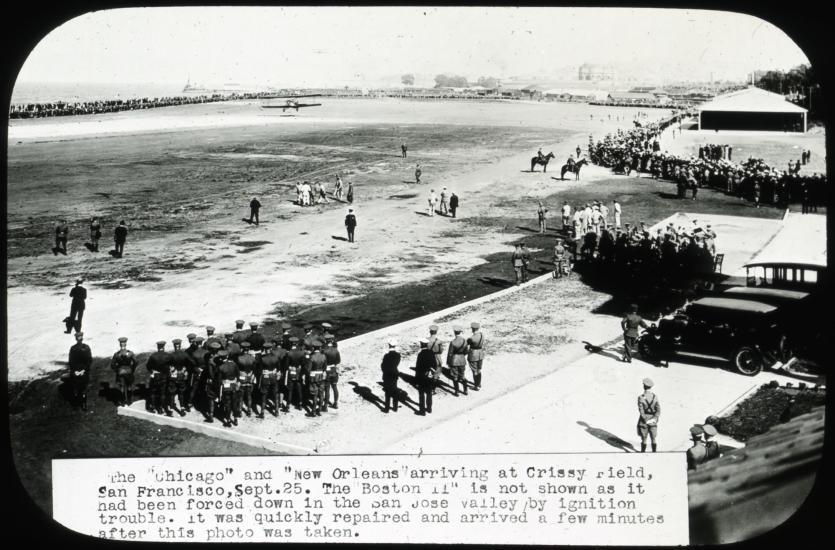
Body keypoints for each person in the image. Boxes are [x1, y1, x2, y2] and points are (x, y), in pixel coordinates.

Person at [146, 341, 173, 416]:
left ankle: (153, 407)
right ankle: (161, 409)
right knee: (162, 392)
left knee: (153, 392)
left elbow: (148, 366)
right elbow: (171, 365)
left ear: (158, 347)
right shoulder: (168, 355)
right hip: (164, 376)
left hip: (156, 375)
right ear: (164, 347)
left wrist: (152, 371)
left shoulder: (153, 356)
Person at [68, 332, 92, 410]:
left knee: (76, 388)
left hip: (75, 371)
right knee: (84, 388)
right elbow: (89, 360)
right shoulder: (87, 347)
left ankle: (76, 404)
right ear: (82, 338)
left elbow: (71, 361)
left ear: (76, 338)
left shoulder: (73, 348)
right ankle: (84, 405)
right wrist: (85, 370)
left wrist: (75, 371)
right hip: (84, 371)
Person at [257, 341, 282, 418]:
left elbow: (259, 369)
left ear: (264, 349)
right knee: (275, 393)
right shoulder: (275, 357)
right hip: (273, 376)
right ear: (271, 348)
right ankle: (277, 411)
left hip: (265, 376)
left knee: (264, 394)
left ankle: (262, 412)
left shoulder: (262, 358)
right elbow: (278, 368)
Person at [110, 336, 137, 406]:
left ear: (120, 344)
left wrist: (117, 370)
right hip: (129, 372)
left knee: (121, 387)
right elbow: (136, 362)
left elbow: (112, 364)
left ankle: (122, 402)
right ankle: (129, 401)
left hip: (121, 372)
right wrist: (132, 369)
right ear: (125, 344)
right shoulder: (130, 353)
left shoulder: (117, 354)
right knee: (129, 386)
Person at [637, 378, 660, 453]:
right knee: (653, 438)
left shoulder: (641, 397)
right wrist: (655, 418)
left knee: (644, 438)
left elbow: (641, 410)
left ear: (644, 386)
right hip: (653, 419)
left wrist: (645, 419)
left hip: (644, 420)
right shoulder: (655, 397)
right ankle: (654, 452)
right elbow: (658, 409)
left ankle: (643, 453)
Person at [414, 339, 436, 415]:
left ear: (421, 345)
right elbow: (434, 365)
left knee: (421, 394)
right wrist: (431, 373)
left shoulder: (420, 354)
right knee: (429, 393)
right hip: (429, 376)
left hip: (422, 376)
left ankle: (422, 411)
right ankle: (429, 408)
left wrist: (416, 379)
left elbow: (418, 368)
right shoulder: (431, 353)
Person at [236, 342, 257, 416]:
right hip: (250, 377)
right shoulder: (252, 358)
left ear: (242, 349)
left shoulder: (239, 358)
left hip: (242, 378)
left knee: (240, 396)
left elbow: (237, 369)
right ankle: (249, 410)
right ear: (248, 349)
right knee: (249, 396)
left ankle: (240, 410)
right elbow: (255, 369)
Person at [446, 326, 469, 396]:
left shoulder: (453, 342)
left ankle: (457, 391)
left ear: (454, 333)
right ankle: (465, 390)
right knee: (462, 376)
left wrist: (448, 362)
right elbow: (466, 351)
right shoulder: (464, 341)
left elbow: (450, 354)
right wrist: (461, 355)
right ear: (460, 332)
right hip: (462, 359)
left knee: (455, 376)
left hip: (454, 360)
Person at [307, 342, 327, 416]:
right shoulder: (323, 356)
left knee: (315, 395)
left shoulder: (312, 357)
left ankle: (314, 411)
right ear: (320, 348)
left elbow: (309, 369)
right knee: (321, 394)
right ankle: (320, 409)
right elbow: (325, 367)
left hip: (314, 376)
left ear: (313, 348)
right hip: (321, 375)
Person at [381, 339, 401, 413]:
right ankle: (395, 407)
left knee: (387, 392)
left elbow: (383, 366)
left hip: (387, 374)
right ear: (395, 346)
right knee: (395, 390)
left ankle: (387, 408)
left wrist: (384, 371)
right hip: (394, 373)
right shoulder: (398, 355)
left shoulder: (386, 355)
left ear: (389, 345)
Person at [322, 337, 341, 410]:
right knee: (335, 387)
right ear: (331, 341)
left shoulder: (325, 351)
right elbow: (338, 361)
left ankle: (325, 405)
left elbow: (323, 361)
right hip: (334, 369)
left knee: (327, 388)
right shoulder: (336, 350)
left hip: (327, 369)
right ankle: (335, 403)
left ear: (326, 341)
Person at [466, 322, 485, 391]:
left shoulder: (472, 338)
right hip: (480, 353)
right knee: (479, 370)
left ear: (473, 329)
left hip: (473, 354)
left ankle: (476, 386)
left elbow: (466, 344)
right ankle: (479, 384)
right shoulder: (482, 335)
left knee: (474, 371)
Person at [427, 325, 444, 395]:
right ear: (436, 332)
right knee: (436, 374)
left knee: (430, 372)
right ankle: (432, 389)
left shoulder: (426, 340)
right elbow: (441, 351)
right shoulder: (439, 341)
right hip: (437, 357)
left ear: (430, 331)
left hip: (429, 357)